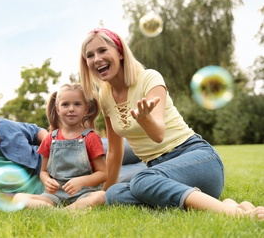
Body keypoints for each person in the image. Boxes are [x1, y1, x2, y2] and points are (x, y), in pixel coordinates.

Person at [79, 27, 264, 220]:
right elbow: (115, 153)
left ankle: (235, 214)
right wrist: (105, 193)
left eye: (102, 50)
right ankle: (213, 202)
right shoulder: (105, 96)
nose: (96, 59)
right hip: (162, 173)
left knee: (142, 181)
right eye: (89, 55)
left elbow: (158, 134)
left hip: (196, 158)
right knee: (115, 194)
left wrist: (145, 119)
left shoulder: (149, 78)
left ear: (119, 52)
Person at [13, 83, 106, 210]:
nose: (71, 109)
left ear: (86, 109)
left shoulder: (91, 138)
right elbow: (43, 171)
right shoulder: (50, 138)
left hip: (84, 193)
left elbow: (103, 173)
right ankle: (67, 211)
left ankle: (62, 212)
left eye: (77, 104)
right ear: (58, 109)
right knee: (18, 198)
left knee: (101, 196)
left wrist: (81, 182)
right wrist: (46, 181)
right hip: (54, 195)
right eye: (65, 104)